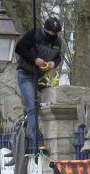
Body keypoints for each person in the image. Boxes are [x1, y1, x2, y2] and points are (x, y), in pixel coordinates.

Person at [14, 16, 63, 153]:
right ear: (45, 30)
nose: (53, 36)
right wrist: (34, 59)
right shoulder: (34, 34)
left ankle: (25, 128)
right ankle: (38, 140)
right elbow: (19, 48)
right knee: (32, 107)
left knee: (44, 107)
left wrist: (54, 63)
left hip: (42, 77)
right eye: (50, 34)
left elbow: (58, 56)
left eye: (56, 34)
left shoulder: (58, 41)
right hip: (26, 75)